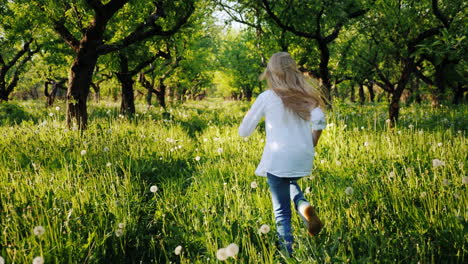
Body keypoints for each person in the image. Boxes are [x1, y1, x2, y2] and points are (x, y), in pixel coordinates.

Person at [238, 52, 327, 255]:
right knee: (289, 183)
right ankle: (304, 207)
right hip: (302, 156)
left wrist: (250, 115)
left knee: (282, 213)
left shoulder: (267, 97)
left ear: (271, 73)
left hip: (278, 157)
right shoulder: (305, 96)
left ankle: (288, 255)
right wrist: (312, 142)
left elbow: (244, 132)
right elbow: (320, 120)